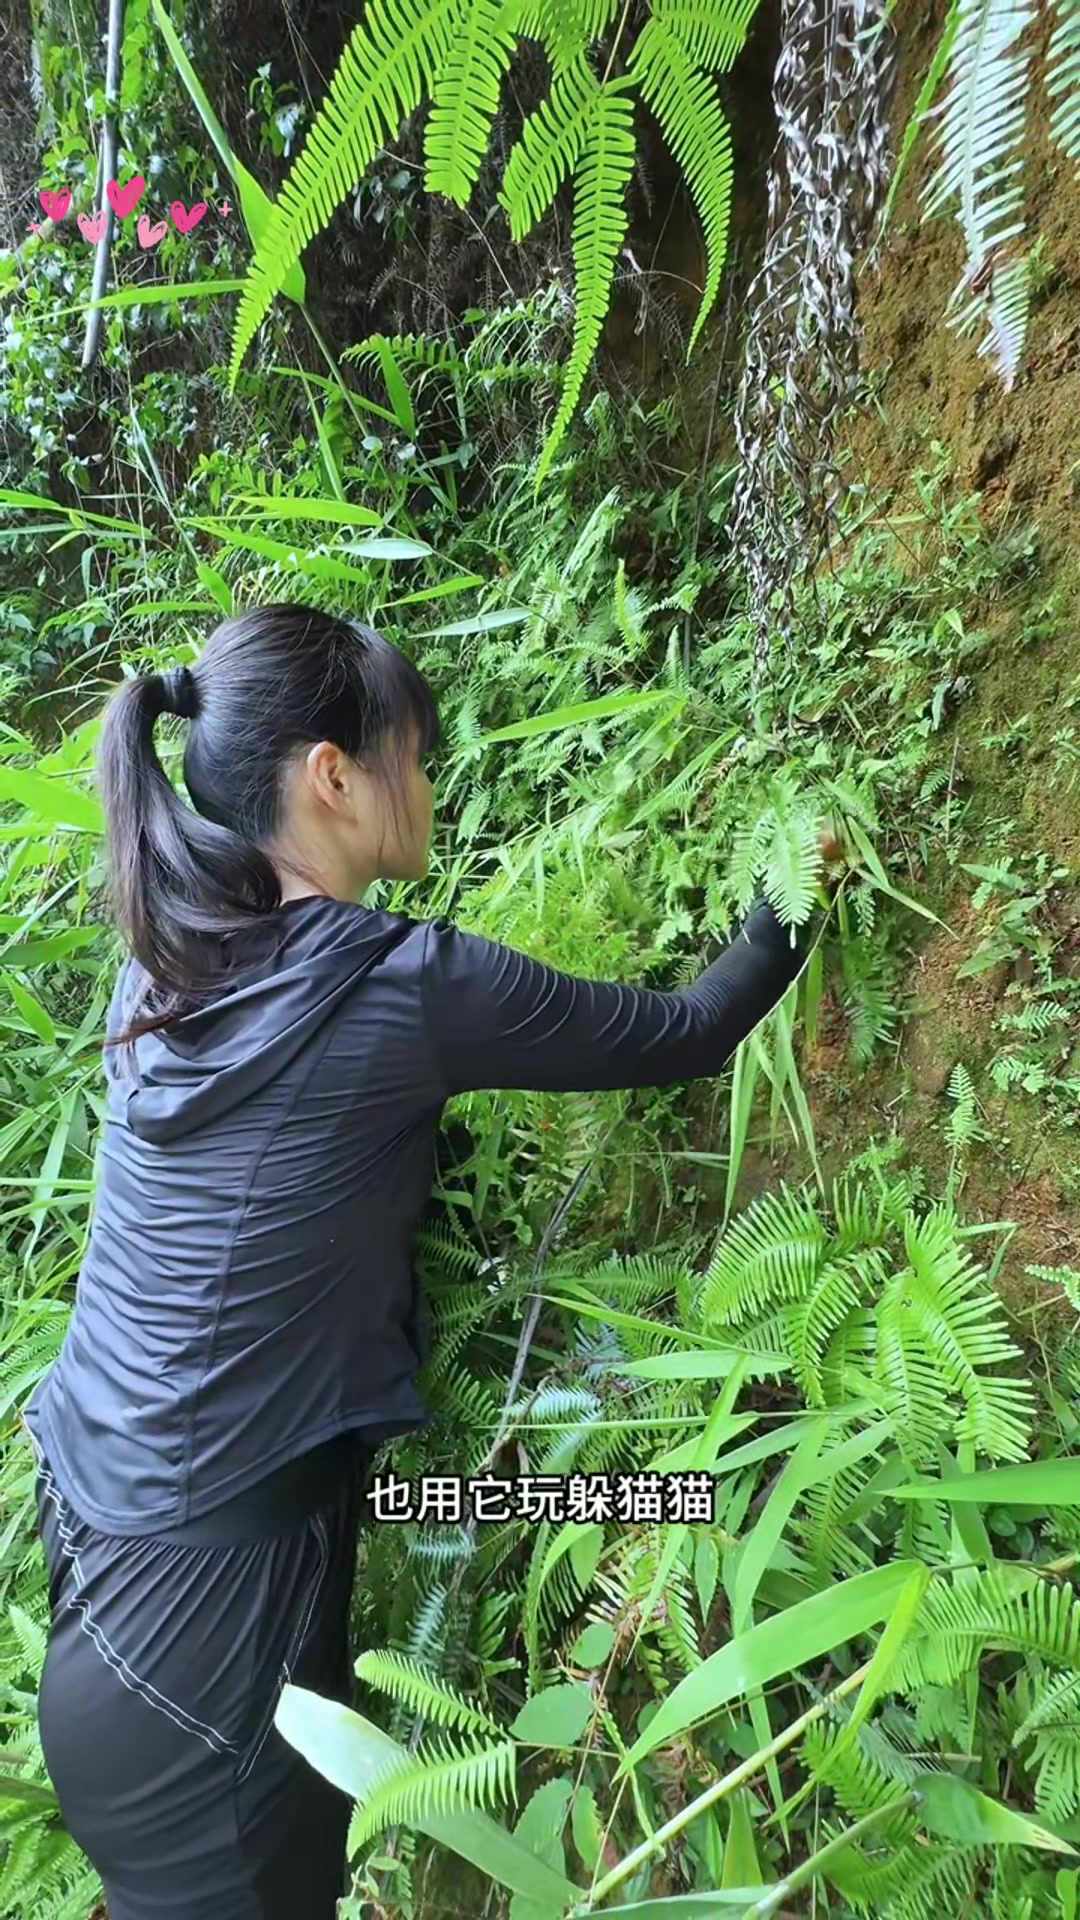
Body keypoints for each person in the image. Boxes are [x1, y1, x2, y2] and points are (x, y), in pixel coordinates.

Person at [24, 603, 819, 1919]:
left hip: (115, 1605)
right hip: (211, 1662)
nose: (429, 784)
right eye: (414, 753)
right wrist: (797, 887)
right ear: (332, 777)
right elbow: (684, 1031)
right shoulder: (401, 987)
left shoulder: (160, 974)